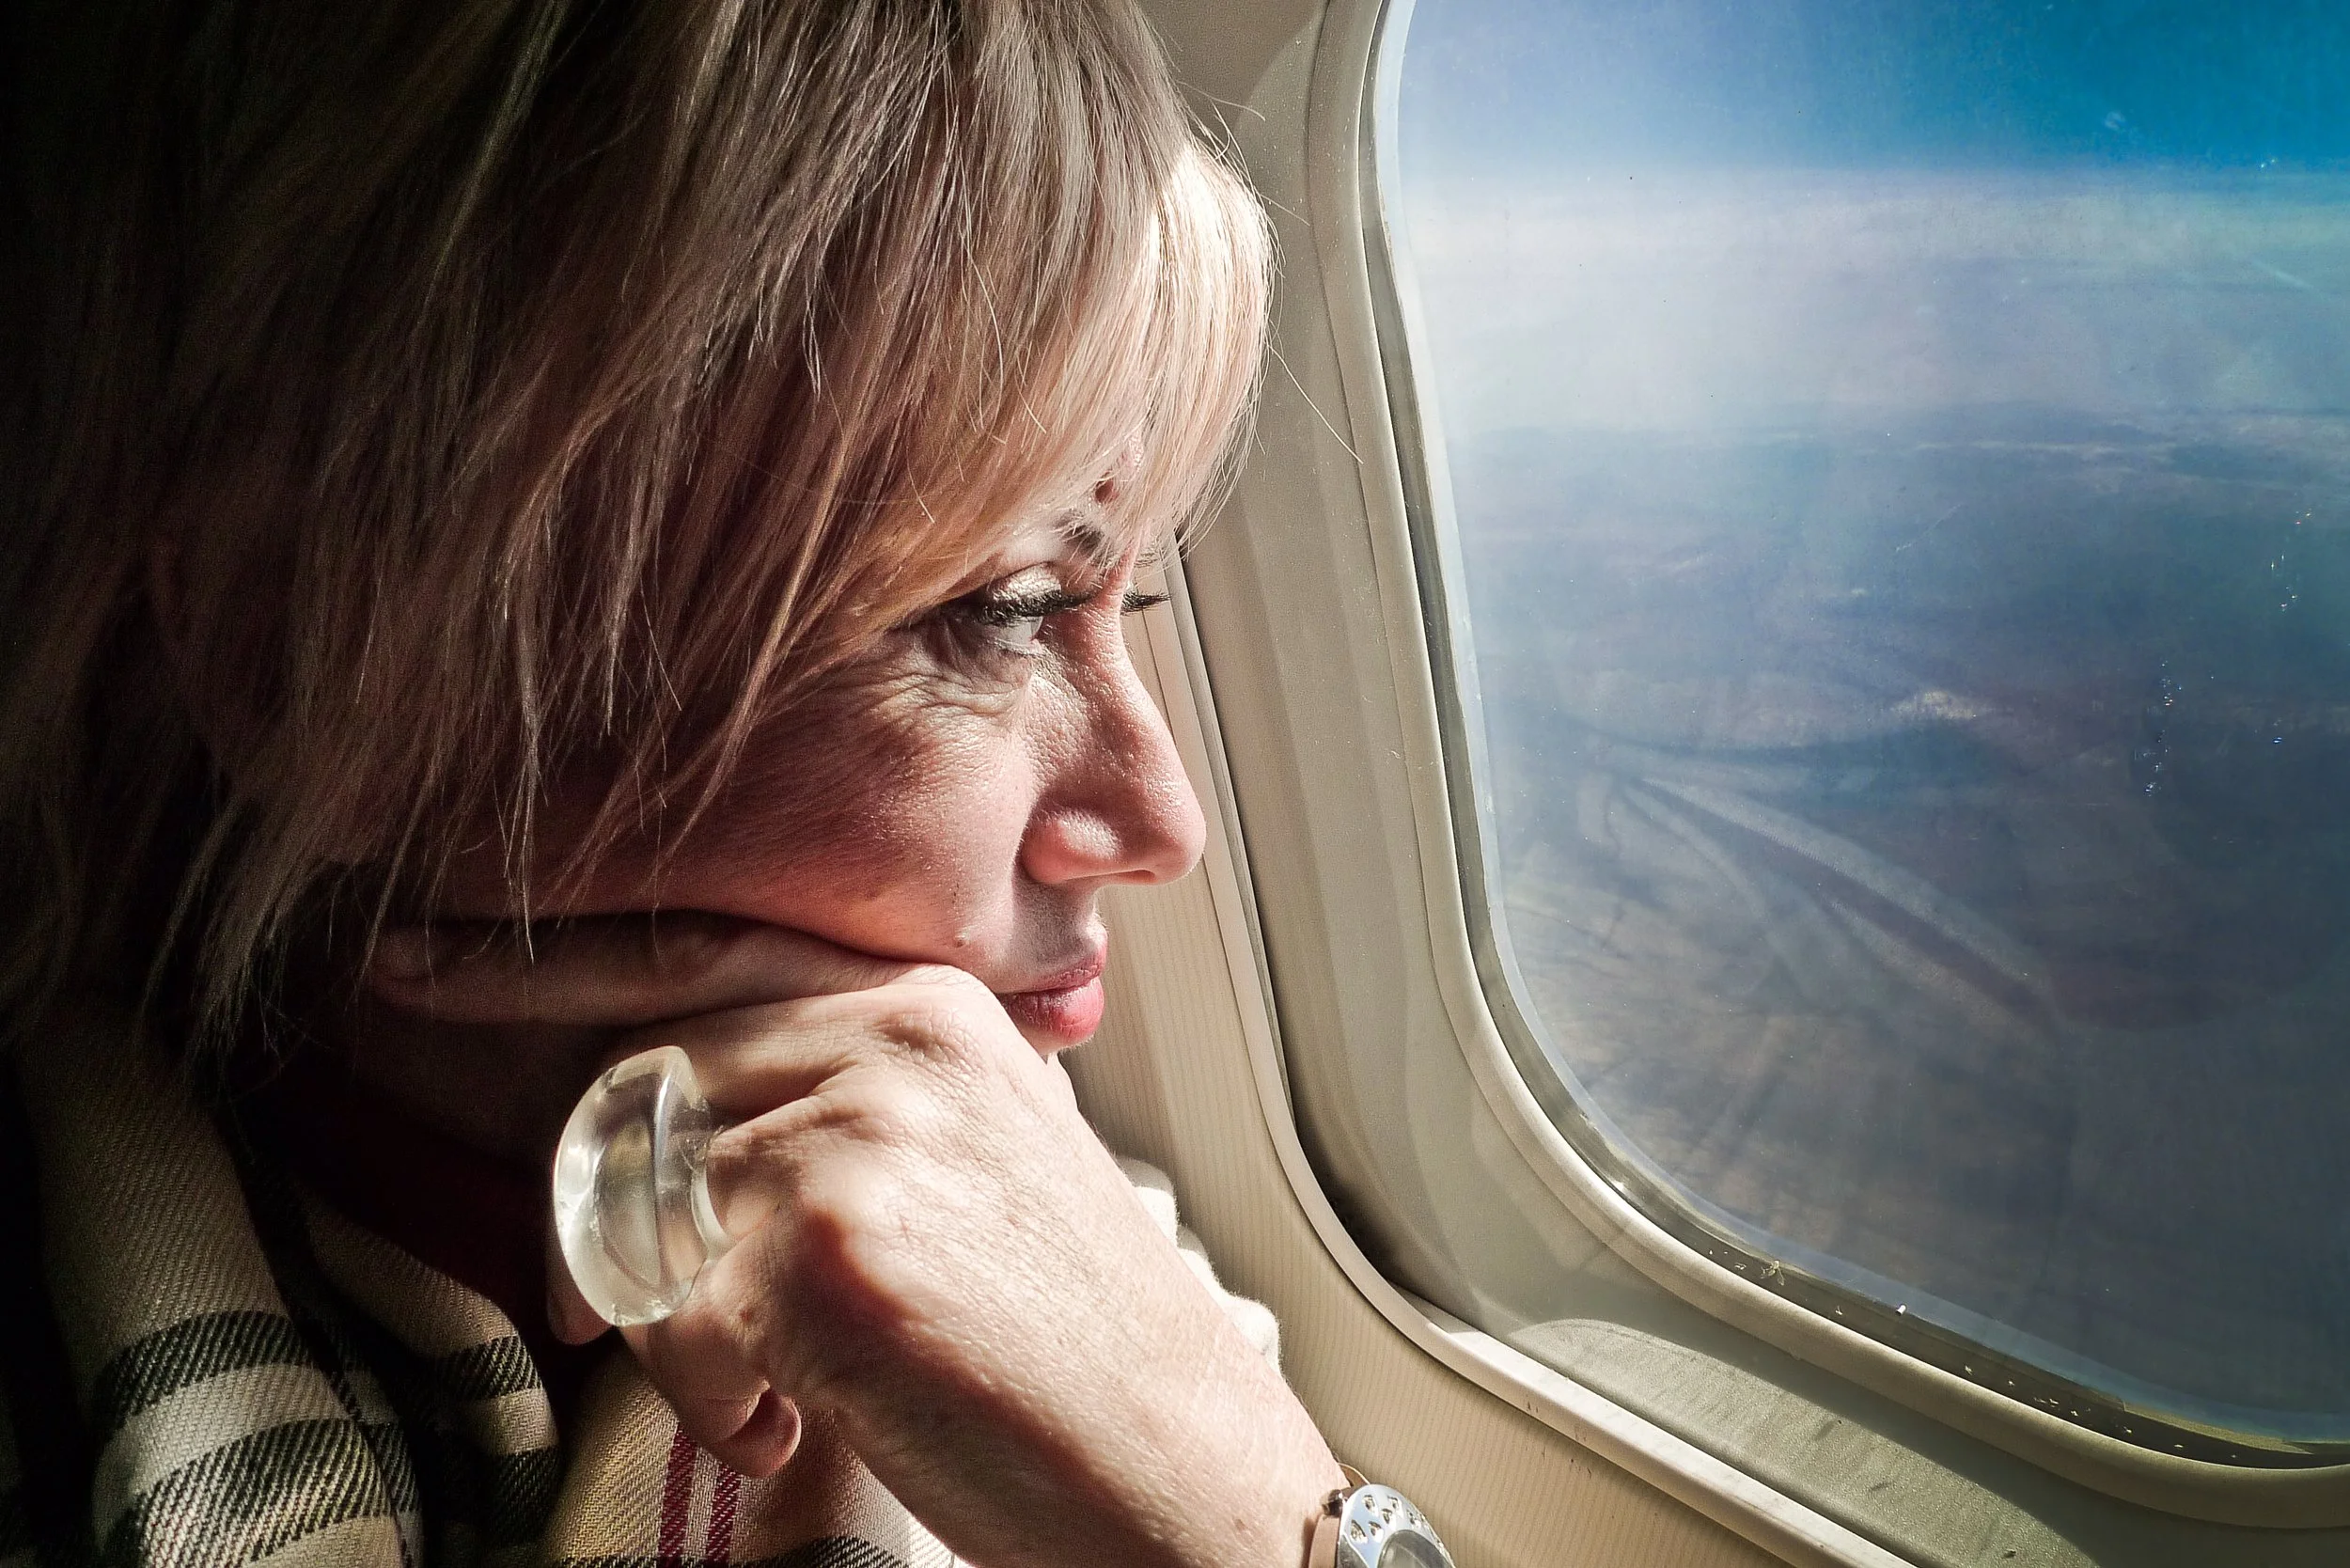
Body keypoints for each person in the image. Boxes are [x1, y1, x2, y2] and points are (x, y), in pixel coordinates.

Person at [0, 1, 1362, 1563]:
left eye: (1138, 601)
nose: (1161, 823)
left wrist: (1259, 1519)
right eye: (996, 614)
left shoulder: (1107, 1302)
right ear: (306, 661)